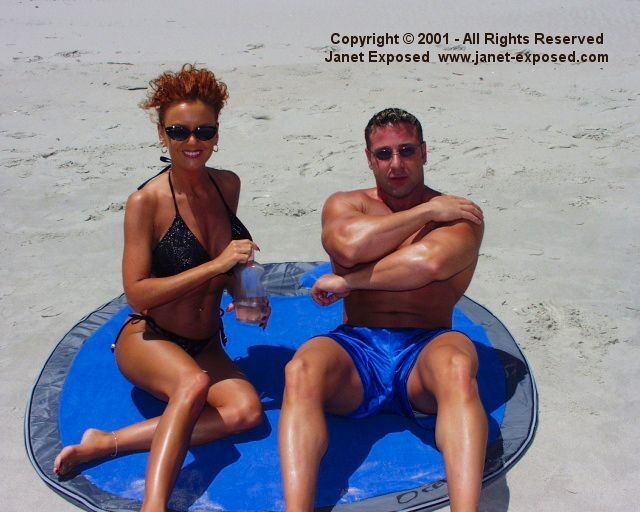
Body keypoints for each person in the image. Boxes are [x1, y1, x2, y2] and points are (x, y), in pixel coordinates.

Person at [54, 64, 267, 511]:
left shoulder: (227, 185)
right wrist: (217, 266)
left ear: (217, 134)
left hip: (206, 343)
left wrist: (248, 294)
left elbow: (236, 256)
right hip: (150, 338)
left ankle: (106, 443)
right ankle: (155, 504)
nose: (193, 142)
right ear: (161, 134)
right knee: (192, 385)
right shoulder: (145, 202)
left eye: (204, 131)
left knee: (247, 412)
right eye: (179, 131)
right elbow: (137, 293)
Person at [279, 108, 487, 512]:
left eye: (406, 151)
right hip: (357, 348)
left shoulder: (459, 213)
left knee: (458, 368)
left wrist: (349, 282)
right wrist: (425, 212)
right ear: (369, 158)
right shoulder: (346, 204)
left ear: (424, 152)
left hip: (426, 347)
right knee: (300, 370)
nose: (396, 164)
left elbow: (428, 263)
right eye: (384, 154)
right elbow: (349, 246)